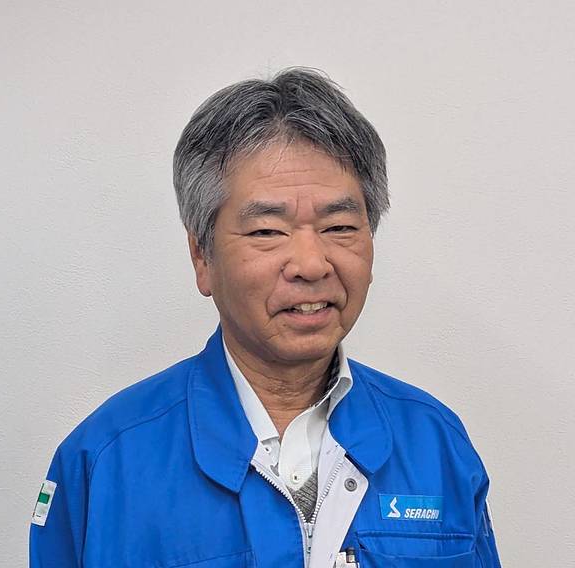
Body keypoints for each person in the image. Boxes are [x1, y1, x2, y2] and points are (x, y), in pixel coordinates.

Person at [29, 67, 501, 567]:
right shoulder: (104, 462)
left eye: (339, 226)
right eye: (267, 232)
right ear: (202, 256)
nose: (311, 265)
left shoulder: (435, 442)